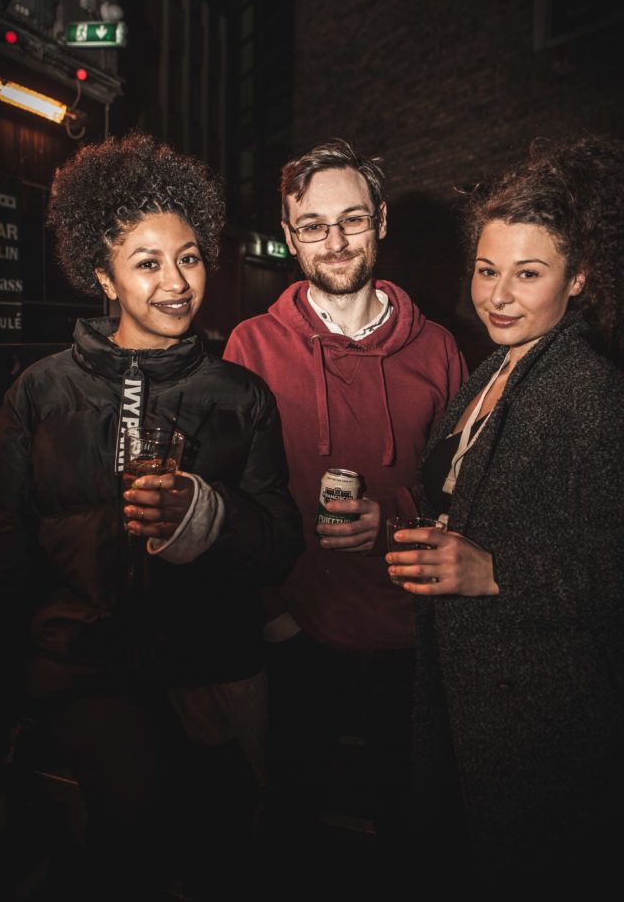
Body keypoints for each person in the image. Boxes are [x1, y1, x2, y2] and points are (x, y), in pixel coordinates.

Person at [0, 132, 303, 900]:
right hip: (81, 662)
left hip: (206, 659)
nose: (176, 282)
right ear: (104, 275)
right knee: (138, 805)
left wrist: (210, 512)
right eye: (147, 262)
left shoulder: (239, 395)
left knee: (233, 832)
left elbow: (279, 544)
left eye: (188, 257)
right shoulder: (41, 392)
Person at [386, 135, 624, 889]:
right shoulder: (493, 370)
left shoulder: (593, 398)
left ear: (579, 279)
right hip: (477, 703)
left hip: (552, 725)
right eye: (485, 269)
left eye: (528, 274)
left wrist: (494, 573)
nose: (497, 295)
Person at [224, 138, 466, 870]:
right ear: (290, 234)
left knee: (412, 831)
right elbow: (235, 496)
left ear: (382, 221)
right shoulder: (251, 345)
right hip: (302, 629)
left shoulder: (441, 350)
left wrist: (392, 515)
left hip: (412, 634)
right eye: (313, 225)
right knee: (288, 825)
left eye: (352, 220)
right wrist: (273, 613)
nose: (334, 241)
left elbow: (464, 489)